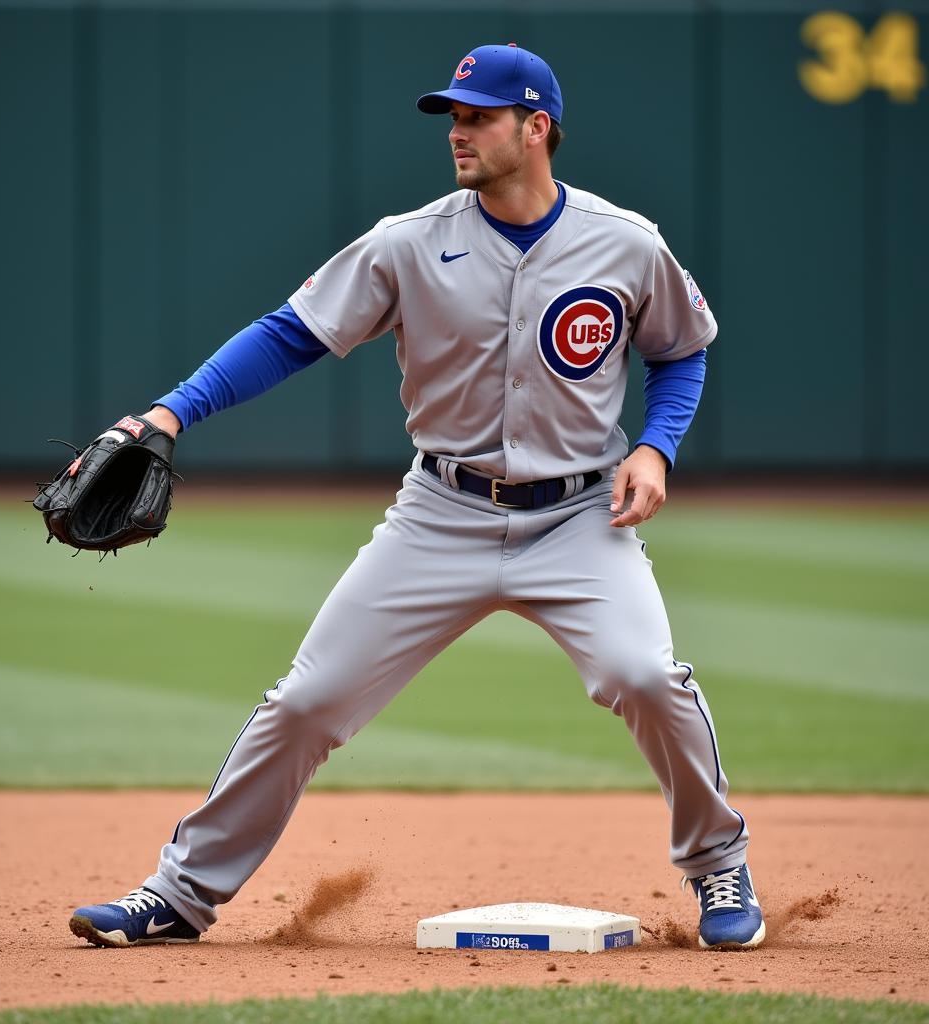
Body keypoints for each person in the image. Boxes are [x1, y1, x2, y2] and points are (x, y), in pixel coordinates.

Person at [69, 43, 764, 952]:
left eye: (477, 115)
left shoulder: (624, 242)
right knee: (308, 702)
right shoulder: (409, 240)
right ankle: (181, 893)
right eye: (453, 116)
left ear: (537, 126)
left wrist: (656, 449)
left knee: (644, 677)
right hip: (441, 514)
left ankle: (718, 862)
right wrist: (172, 411)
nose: (459, 132)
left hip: (577, 520)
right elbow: (291, 335)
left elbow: (681, 348)